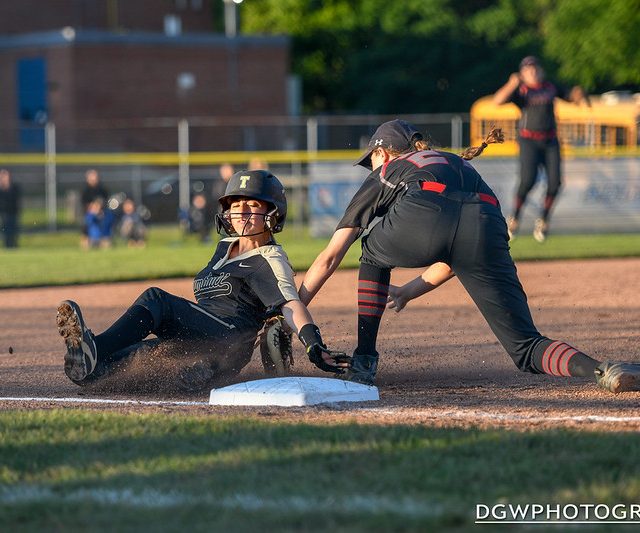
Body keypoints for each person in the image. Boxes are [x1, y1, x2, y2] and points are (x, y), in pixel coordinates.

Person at [298, 119, 640, 394]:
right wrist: (407, 291)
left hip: (425, 212)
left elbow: (330, 257)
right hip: (488, 221)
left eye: (370, 159)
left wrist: (292, 308)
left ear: (384, 153)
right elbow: (455, 248)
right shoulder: (453, 161)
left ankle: (365, 360)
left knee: (371, 249)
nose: (369, 167)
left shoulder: (387, 171)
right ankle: (601, 369)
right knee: (525, 347)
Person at [56, 170, 346, 392]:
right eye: (235, 204)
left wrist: (313, 345)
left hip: (228, 339)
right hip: (202, 341)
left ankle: (94, 348)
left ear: (273, 213)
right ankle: (91, 371)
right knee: (133, 359)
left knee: (156, 299)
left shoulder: (268, 257)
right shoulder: (224, 248)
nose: (241, 211)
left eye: (252, 204)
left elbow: (290, 303)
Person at [493, 55, 590, 242]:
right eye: (528, 69)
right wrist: (513, 83)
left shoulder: (550, 87)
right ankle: (515, 217)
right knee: (528, 181)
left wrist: (579, 94)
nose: (533, 71)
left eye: (535, 67)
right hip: (529, 140)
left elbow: (572, 96)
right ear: (522, 73)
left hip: (550, 141)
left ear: (541, 70)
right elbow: (497, 101)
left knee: (555, 183)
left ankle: (544, 219)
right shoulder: (521, 90)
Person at [80, 169, 110, 248]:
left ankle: (104, 239)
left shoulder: (103, 190)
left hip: (102, 213)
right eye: (91, 177)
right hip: (89, 213)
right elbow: (85, 205)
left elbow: (106, 203)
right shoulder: (85, 191)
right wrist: (93, 208)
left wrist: (100, 209)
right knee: (87, 220)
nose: (93, 179)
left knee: (108, 217)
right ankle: (86, 239)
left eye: (95, 177)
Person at [0, 169, 21, 248]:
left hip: (12, 214)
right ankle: (7, 245)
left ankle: (13, 245)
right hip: (3, 215)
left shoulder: (14, 188)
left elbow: (15, 203)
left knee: (12, 231)